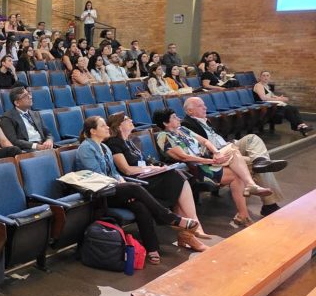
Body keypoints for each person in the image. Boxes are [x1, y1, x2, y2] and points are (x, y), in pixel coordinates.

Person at [75, 116, 199, 264]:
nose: (107, 128)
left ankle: (152, 248)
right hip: (100, 193)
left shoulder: (104, 147)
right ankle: (168, 217)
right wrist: (122, 186)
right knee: (134, 187)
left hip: (114, 189)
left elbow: (114, 173)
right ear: (93, 131)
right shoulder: (85, 149)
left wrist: (121, 184)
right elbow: (98, 177)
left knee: (140, 206)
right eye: (103, 126)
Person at [105, 112, 210, 251]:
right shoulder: (114, 143)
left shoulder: (130, 141)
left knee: (178, 176)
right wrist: (150, 168)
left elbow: (143, 160)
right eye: (126, 119)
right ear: (119, 125)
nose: (131, 120)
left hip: (148, 175)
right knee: (176, 177)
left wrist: (158, 166)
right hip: (138, 182)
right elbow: (127, 170)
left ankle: (189, 232)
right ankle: (194, 226)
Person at [153, 108, 272, 229]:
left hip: (209, 161)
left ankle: (245, 207)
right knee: (236, 171)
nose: (178, 118)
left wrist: (216, 153)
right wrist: (212, 160)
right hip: (197, 168)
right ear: (165, 123)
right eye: (174, 117)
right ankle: (248, 198)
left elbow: (204, 141)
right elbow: (184, 157)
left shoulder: (183, 129)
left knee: (233, 152)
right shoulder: (163, 137)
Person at [181, 97, 285, 217]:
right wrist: (220, 150)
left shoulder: (204, 120)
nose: (205, 107)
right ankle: (270, 205)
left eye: (204, 104)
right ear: (190, 111)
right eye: (200, 106)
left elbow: (216, 137)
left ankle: (260, 161)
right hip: (218, 153)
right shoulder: (187, 125)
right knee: (254, 165)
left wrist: (230, 143)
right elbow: (199, 148)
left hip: (227, 146)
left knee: (252, 138)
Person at [253, 71, 311, 135]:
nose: (265, 77)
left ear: (270, 77)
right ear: (260, 77)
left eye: (267, 75)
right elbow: (263, 98)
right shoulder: (259, 85)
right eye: (263, 75)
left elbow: (271, 96)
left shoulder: (266, 86)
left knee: (294, 108)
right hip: (267, 106)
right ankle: (300, 127)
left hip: (272, 104)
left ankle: (301, 126)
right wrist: (279, 99)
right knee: (288, 109)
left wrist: (279, 97)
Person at [0, 86, 54, 151]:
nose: (30, 97)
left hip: (43, 146)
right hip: (28, 149)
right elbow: (13, 141)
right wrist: (35, 146)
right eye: (25, 96)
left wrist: (49, 140)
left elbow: (48, 133)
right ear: (17, 103)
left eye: (29, 94)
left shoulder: (36, 114)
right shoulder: (7, 117)